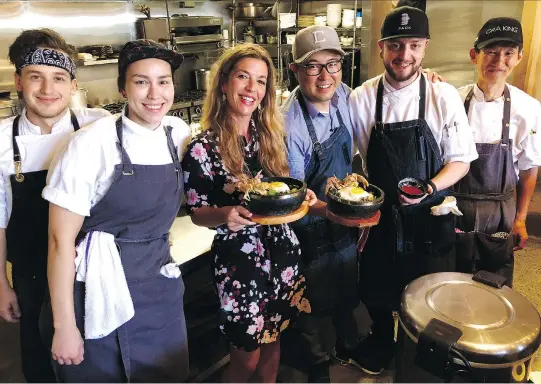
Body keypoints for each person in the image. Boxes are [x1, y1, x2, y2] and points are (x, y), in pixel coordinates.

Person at [40, 39, 191, 382]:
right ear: (123, 88)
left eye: (163, 81)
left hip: (158, 288)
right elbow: (59, 243)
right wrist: (64, 327)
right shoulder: (91, 144)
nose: (155, 93)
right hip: (97, 291)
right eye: (141, 81)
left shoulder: (177, 134)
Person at [348, 6, 478, 375]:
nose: (404, 55)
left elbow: (462, 161)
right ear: (381, 48)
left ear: (425, 48)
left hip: (429, 216)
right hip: (382, 217)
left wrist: (430, 186)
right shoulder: (362, 98)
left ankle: (419, 361)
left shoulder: (443, 96)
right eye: (395, 45)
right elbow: (352, 154)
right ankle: (381, 346)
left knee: (428, 296)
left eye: (414, 45)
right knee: (375, 288)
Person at [182, 44, 316, 383]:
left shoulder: (268, 135)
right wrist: (225, 212)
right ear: (224, 83)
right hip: (240, 264)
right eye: (243, 77)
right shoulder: (203, 146)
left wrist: (299, 197)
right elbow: (198, 212)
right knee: (247, 357)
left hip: (283, 255)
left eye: (260, 81)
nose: (251, 89)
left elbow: (280, 189)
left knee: (274, 342)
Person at [0, 29, 110, 383]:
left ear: (73, 85)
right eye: (36, 77)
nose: (48, 90)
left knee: (99, 363)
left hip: (94, 274)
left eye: (59, 78)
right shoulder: (1, 140)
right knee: (40, 363)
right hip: (32, 276)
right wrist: (1, 285)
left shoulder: (99, 126)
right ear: (19, 81)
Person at [281, 26, 363, 382]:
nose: (325, 76)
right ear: (295, 70)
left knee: (345, 283)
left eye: (333, 64)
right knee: (312, 300)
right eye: (313, 67)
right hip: (310, 225)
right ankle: (316, 365)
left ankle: (346, 348)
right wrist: (335, 202)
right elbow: (297, 197)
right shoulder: (289, 124)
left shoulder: (345, 95)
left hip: (341, 217)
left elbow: (388, 95)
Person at [454, 18, 541, 286]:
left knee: (494, 284)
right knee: (452, 280)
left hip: (500, 211)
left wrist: (521, 220)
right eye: (491, 51)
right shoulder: (453, 100)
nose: (499, 60)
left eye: (508, 53)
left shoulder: (529, 109)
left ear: (518, 58)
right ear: (474, 55)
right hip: (455, 206)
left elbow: (529, 169)